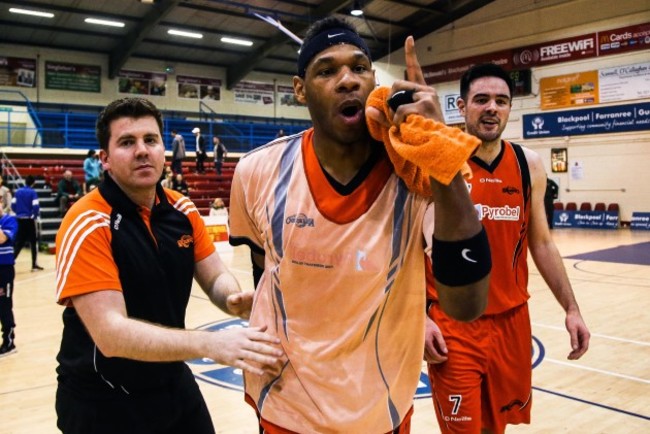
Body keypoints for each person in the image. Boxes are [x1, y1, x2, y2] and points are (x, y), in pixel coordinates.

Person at [228, 17, 490, 434]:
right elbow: (265, 265)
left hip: (379, 406)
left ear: (374, 81)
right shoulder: (257, 170)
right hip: (284, 403)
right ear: (300, 89)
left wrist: (444, 157)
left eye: (359, 67)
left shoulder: (415, 172)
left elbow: (467, 305)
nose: (348, 80)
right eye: (327, 70)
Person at [54, 97, 282, 434]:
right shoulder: (88, 220)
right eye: (127, 142)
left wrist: (233, 298)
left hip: (170, 379)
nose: (142, 151)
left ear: (164, 148)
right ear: (105, 159)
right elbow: (111, 334)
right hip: (101, 399)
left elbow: (215, 274)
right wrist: (210, 345)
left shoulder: (183, 210)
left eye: (150, 140)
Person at [424, 63, 591, 434]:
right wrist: (419, 317)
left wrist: (572, 309)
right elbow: (407, 249)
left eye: (501, 101)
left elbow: (542, 242)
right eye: (481, 100)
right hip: (454, 323)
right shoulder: (439, 159)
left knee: (495, 430)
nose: (491, 108)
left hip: (512, 322)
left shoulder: (527, 164)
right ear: (462, 105)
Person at [11, 175, 42, 271]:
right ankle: (34, 264)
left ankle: (10, 262)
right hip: (29, 220)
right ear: (33, 183)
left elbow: (13, 205)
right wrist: (34, 216)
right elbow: (36, 206)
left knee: (19, 242)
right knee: (33, 242)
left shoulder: (18, 192)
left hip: (19, 219)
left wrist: (18, 213)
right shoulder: (32, 192)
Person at [0, 196, 18, 357]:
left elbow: (2, 238)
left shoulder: (9, 221)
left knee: (4, 305)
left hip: (4, 270)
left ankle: (9, 341)